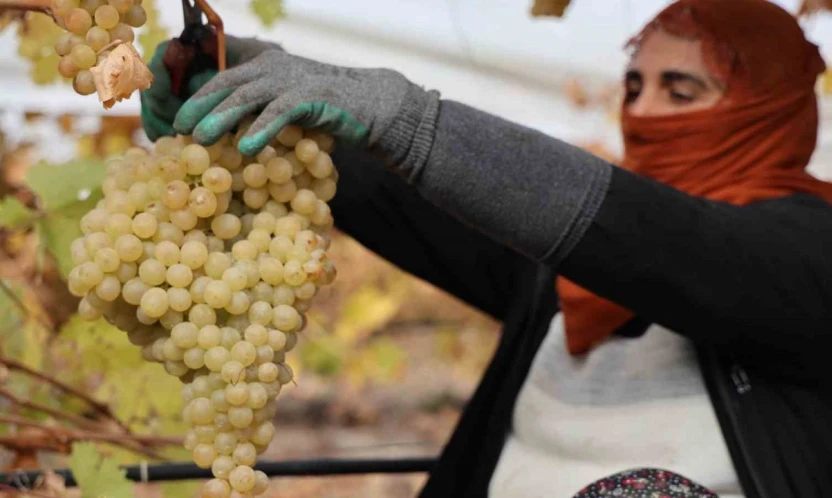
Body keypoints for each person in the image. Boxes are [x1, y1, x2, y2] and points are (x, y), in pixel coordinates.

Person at [141, 0, 832, 496]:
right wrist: (277, 107)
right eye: (633, 86)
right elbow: (427, 204)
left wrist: (411, 119)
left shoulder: (807, 255)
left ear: (767, 108)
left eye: (681, 91)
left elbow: (661, 242)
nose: (643, 112)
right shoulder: (562, 277)